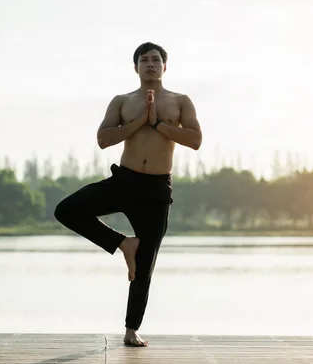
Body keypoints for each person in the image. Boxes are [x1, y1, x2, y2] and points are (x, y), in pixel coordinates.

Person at [54, 42, 202, 347]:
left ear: (165, 66)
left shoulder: (180, 101)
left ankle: (131, 329)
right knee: (67, 209)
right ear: (135, 67)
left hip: (157, 189)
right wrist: (138, 122)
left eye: (156, 60)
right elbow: (103, 139)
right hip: (124, 181)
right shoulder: (122, 101)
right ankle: (122, 243)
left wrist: (158, 123)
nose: (150, 64)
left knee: (145, 265)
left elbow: (195, 139)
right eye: (144, 60)